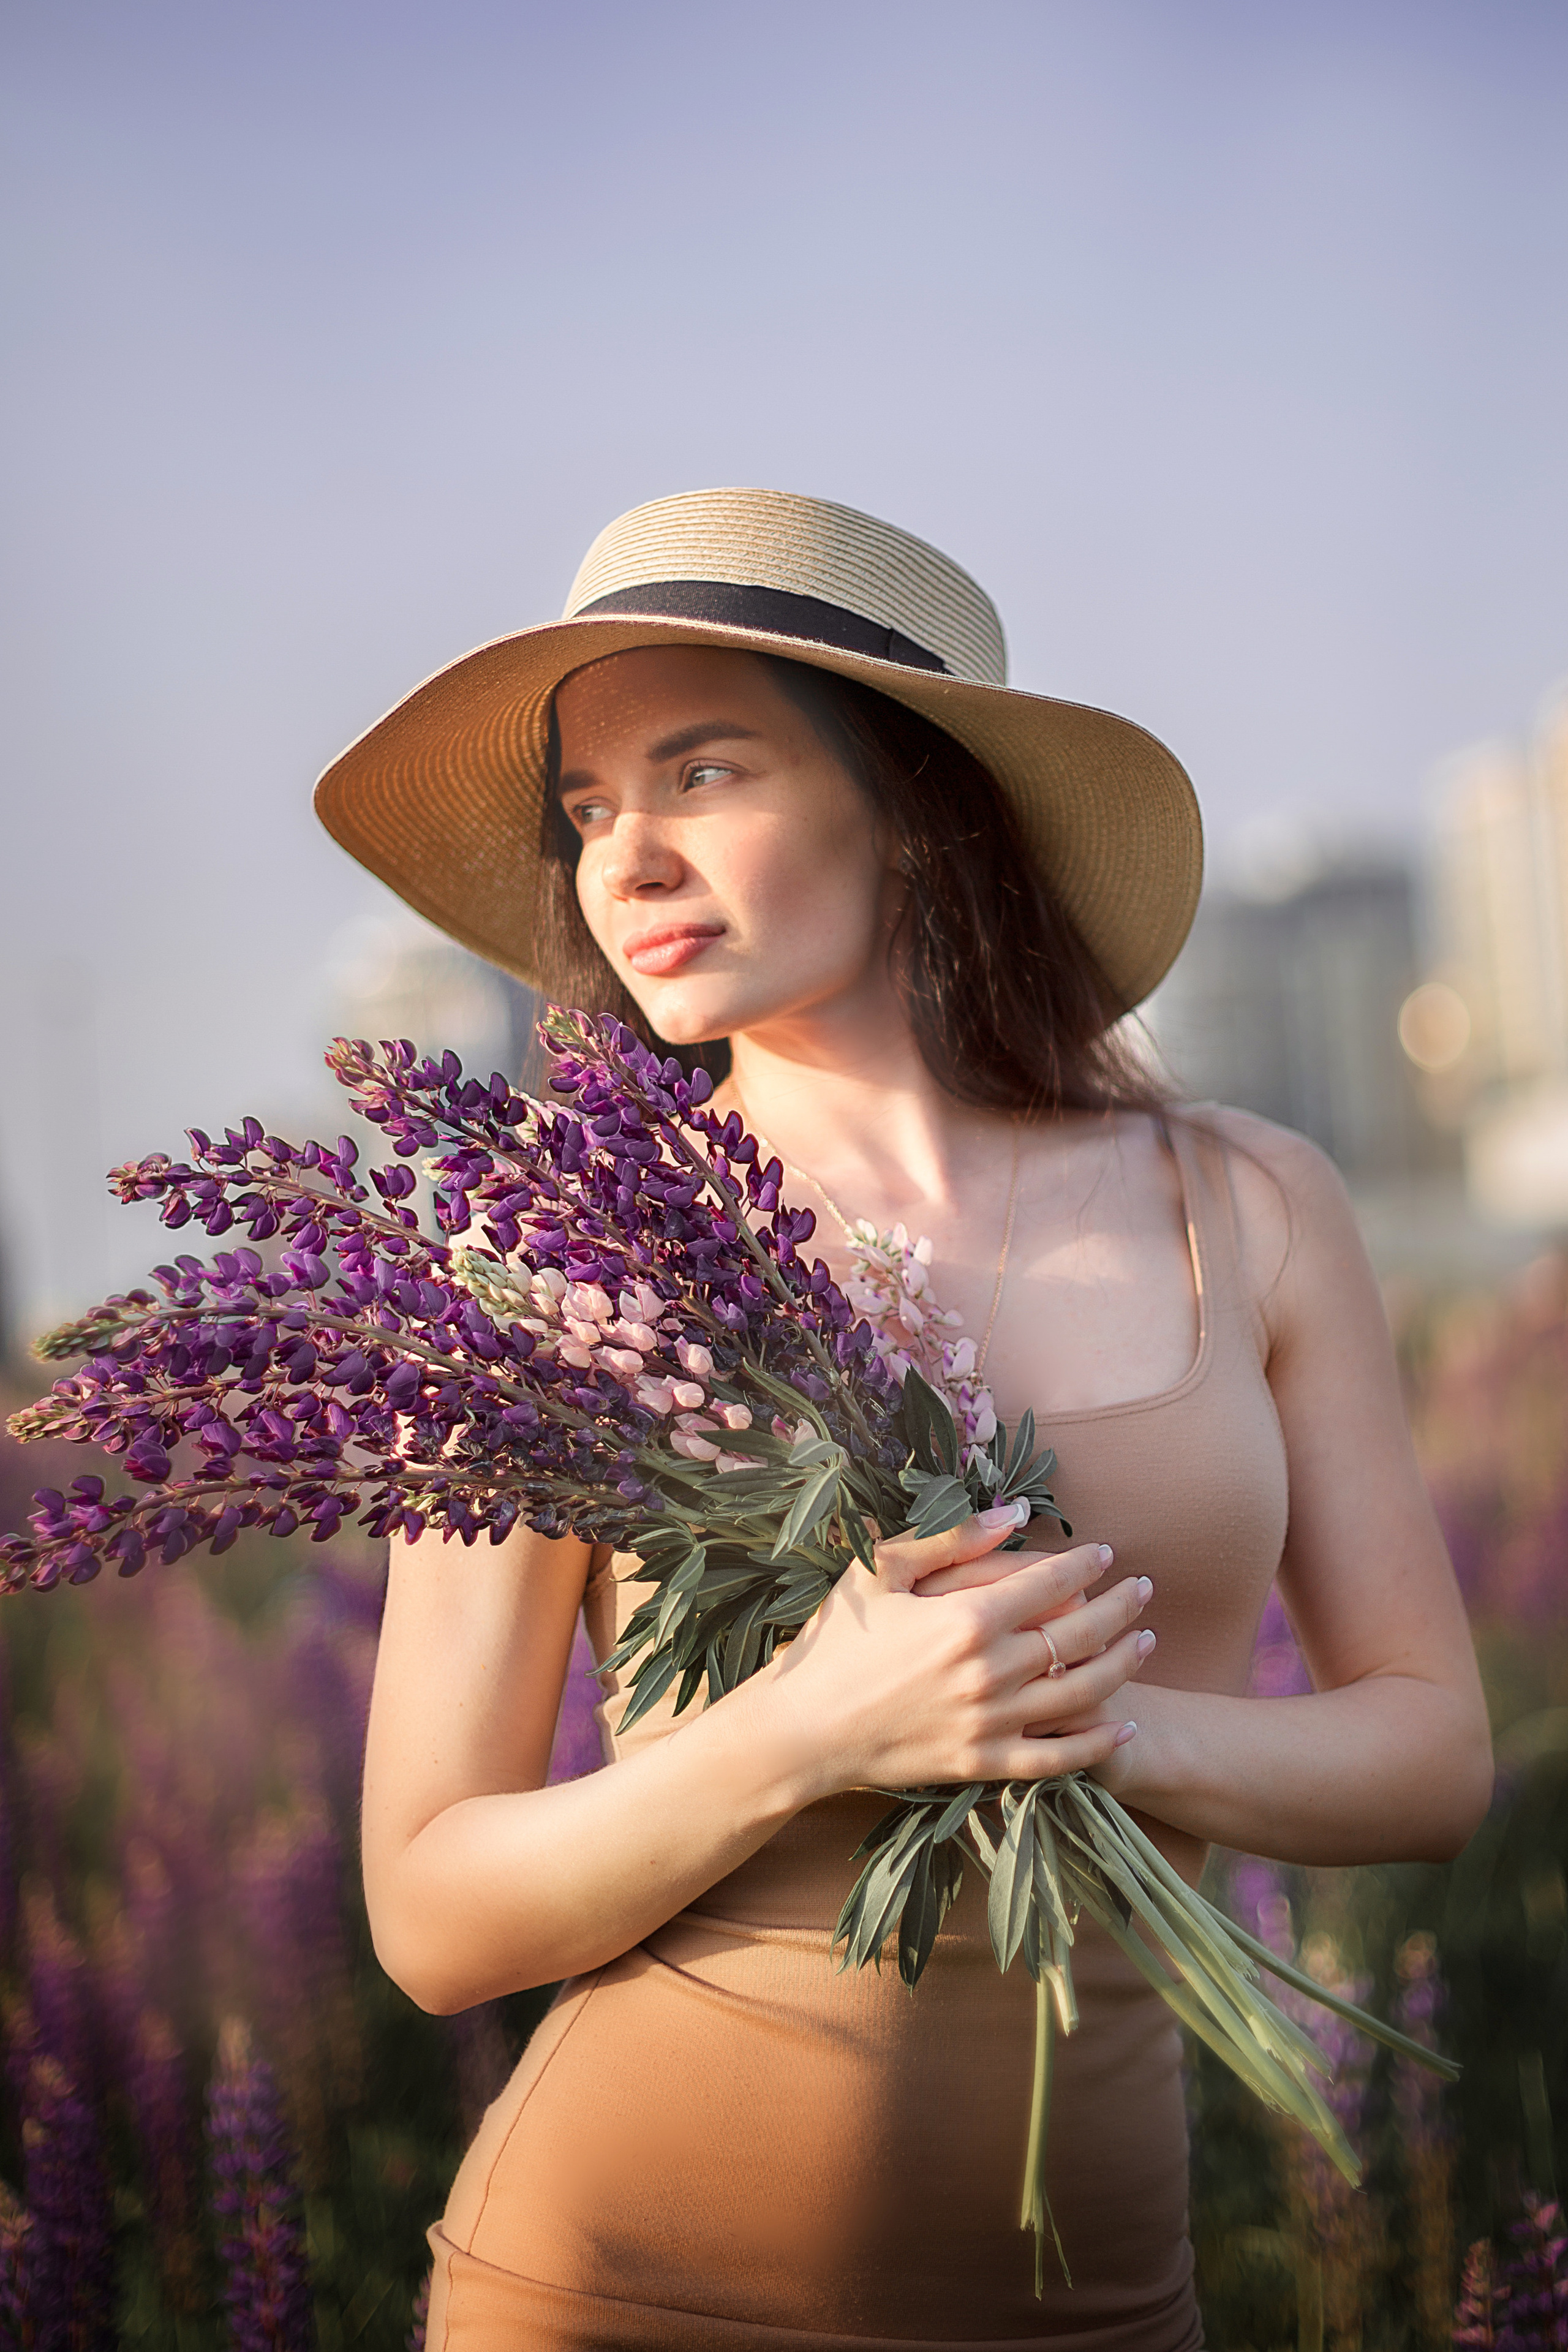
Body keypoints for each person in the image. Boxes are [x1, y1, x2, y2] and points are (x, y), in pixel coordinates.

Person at [317, 488, 1493, 2348]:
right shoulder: (548, 1262)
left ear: (920, 804)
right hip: (611, 2291)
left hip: (1101, 2307)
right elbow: (434, 1914)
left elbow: (1431, 1758)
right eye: (590, 809)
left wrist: (1085, 1727)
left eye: (700, 773)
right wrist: (815, 1725)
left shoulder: (1249, 1202)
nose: (623, 860)